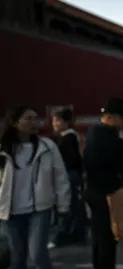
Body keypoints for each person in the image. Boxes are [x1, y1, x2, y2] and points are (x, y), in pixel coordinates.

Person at [0, 106, 71, 269]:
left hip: (39, 210)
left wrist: (63, 205)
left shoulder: (47, 147)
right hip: (10, 212)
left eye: (35, 118)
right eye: (28, 118)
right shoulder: (3, 149)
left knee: (38, 254)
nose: (34, 122)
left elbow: (60, 177)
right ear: (14, 122)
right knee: (17, 258)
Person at [83, 98, 123, 269]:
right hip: (108, 195)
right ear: (111, 117)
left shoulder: (91, 133)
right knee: (108, 240)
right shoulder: (112, 140)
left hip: (92, 191)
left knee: (98, 238)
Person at [49, 108, 87, 248]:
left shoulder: (69, 137)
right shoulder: (65, 137)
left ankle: (68, 234)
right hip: (68, 174)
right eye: (54, 121)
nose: (55, 124)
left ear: (66, 122)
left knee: (70, 206)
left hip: (69, 175)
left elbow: (73, 159)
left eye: (58, 120)